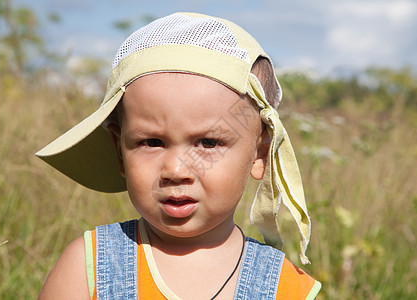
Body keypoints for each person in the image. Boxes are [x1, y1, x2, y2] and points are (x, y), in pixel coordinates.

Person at [36, 12, 321, 299]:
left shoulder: (287, 288)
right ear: (119, 150)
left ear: (259, 153)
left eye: (208, 143)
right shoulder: (90, 269)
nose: (175, 170)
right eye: (152, 142)